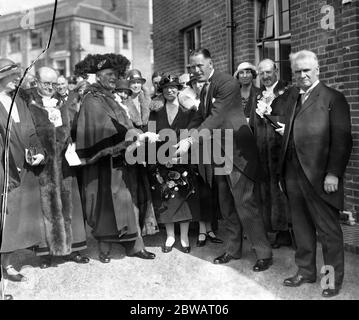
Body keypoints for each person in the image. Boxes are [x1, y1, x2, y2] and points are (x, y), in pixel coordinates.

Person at [175, 48, 273, 271]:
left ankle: (264, 253)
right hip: (219, 153)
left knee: (245, 204)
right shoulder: (205, 89)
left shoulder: (227, 82)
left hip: (238, 153)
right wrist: (183, 137)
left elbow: (215, 118)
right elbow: (199, 118)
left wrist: (189, 143)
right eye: (192, 67)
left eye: (200, 65)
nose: (196, 70)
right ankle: (232, 249)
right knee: (227, 204)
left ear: (211, 63)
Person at [276, 50, 352, 298]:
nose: (302, 75)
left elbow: (342, 140)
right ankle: (305, 272)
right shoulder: (292, 99)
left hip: (321, 177)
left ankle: (330, 281)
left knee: (329, 232)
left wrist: (333, 174)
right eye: (297, 71)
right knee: (301, 228)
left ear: (317, 70)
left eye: (306, 70)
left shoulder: (333, 98)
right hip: (293, 175)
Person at [75, 53, 157, 263]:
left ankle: (135, 245)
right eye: (109, 74)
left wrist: (138, 135)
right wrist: (130, 138)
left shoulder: (112, 97)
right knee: (105, 205)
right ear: (98, 76)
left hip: (122, 160)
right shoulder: (93, 99)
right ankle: (104, 247)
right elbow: (101, 129)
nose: (113, 78)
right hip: (103, 163)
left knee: (128, 203)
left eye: (115, 74)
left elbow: (124, 125)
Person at [26, 66, 89, 268]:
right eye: (46, 83)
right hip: (42, 166)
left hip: (64, 164)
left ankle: (73, 249)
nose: (51, 87)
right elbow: (27, 134)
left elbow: (73, 129)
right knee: (44, 208)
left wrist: (72, 143)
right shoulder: (30, 105)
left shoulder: (64, 103)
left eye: (54, 83)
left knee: (70, 206)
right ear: (37, 82)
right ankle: (45, 253)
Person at [0, 58, 45, 281]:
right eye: (13, 77)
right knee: (5, 220)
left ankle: (6, 265)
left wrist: (39, 152)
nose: (17, 79)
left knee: (15, 220)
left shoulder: (17, 101)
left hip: (26, 170)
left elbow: (31, 132)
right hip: (5, 172)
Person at [249, 58, 293, 249]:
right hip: (261, 150)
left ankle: (287, 232)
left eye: (268, 72)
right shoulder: (257, 95)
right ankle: (273, 229)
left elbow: (289, 120)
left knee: (282, 191)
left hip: (280, 150)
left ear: (276, 71)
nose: (265, 76)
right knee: (266, 189)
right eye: (262, 73)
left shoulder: (287, 92)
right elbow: (252, 124)